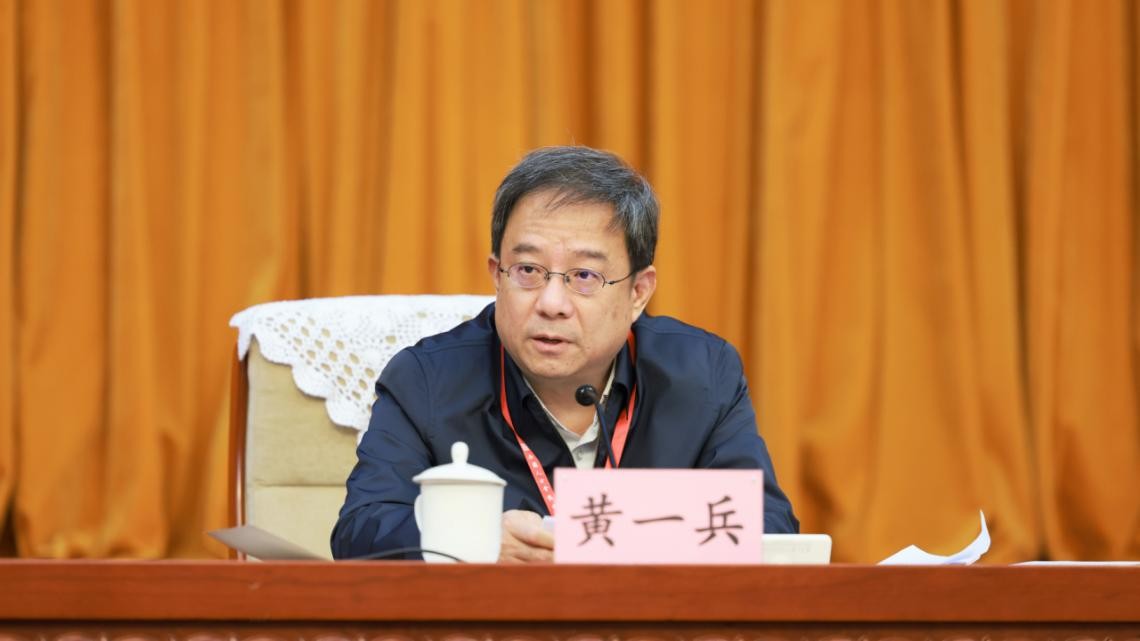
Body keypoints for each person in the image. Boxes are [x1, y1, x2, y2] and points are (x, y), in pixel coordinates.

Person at [332, 146, 798, 562]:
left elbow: (770, 528)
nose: (551, 303)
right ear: (497, 275)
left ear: (638, 292)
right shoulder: (426, 381)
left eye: (584, 277)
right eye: (528, 270)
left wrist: (640, 537)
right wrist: (472, 541)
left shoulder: (702, 375)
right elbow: (360, 532)